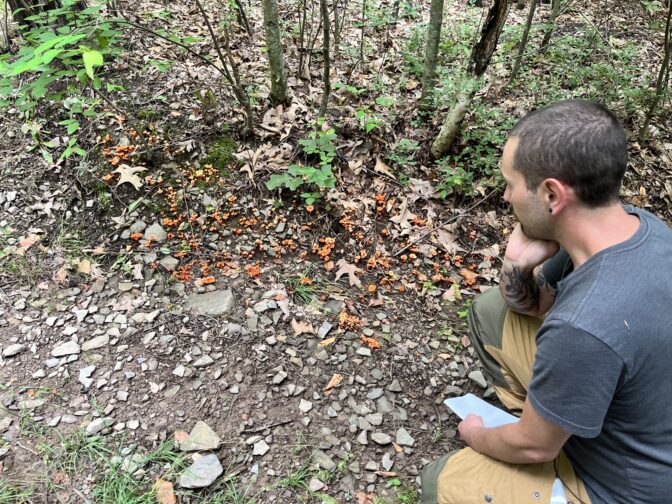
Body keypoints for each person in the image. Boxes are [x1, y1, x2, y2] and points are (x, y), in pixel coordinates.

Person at [421, 100, 672, 503]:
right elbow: (531, 306)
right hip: (637, 414)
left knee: (441, 482)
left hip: (622, 488)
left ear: (552, 194)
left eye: (511, 182)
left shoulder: (584, 323)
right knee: (492, 310)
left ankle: (546, 435)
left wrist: (478, 434)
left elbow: (536, 447)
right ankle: (546, 415)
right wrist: (516, 265)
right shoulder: (642, 227)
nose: (506, 196)